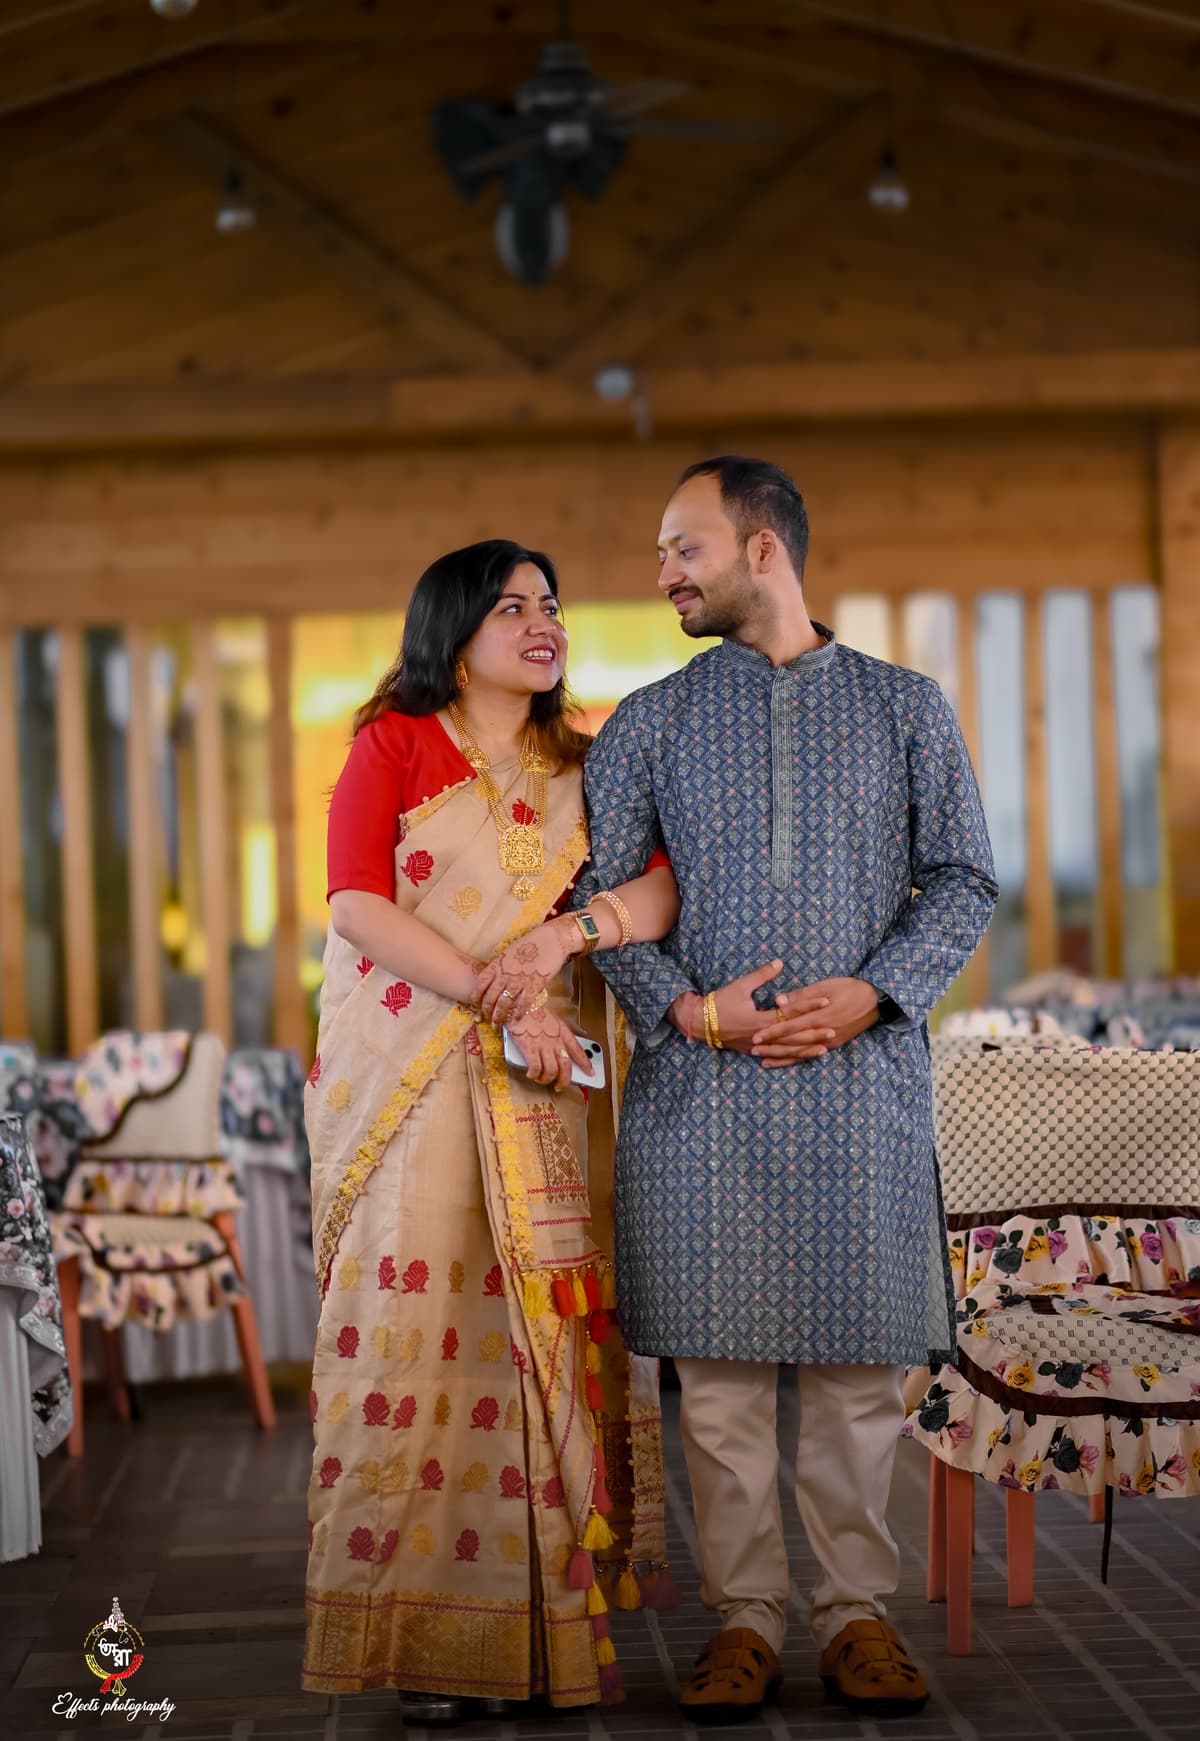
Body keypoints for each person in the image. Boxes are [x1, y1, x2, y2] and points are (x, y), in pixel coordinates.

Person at [572, 458, 997, 1721]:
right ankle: (747, 1620)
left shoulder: (906, 708)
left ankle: (856, 1615)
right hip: (701, 1096)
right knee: (720, 1383)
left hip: (862, 1081)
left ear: (763, 548)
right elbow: (607, 912)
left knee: (864, 1378)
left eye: (681, 548)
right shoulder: (646, 722)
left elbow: (965, 879)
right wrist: (690, 1017)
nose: (664, 574)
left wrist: (871, 991)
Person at [301, 539, 681, 1716]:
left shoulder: (592, 754)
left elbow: (661, 881)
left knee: (537, 1342)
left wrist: (572, 940)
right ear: (452, 630)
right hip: (418, 1084)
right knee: (430, 1334)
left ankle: (539, 1637)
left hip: (539, 1084)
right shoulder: (395, 744)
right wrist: (494, 988)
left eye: (551, 604)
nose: (543, 621)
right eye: (512, 605)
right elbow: (357, 899)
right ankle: (428, 1649)